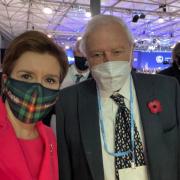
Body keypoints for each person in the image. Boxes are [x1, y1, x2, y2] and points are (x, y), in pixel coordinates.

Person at [55, 15, 180, 180]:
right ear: (87, 57)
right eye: (97, 55)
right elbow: (66, 168)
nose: (109, 61)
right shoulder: (68, 101)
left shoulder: (167, 89)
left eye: (117, 52)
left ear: (131, 49)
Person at [0, 30, 68, 180]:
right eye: (26, 76)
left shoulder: (49, 137)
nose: (36, 91)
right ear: (5, 80)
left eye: (50, 80)